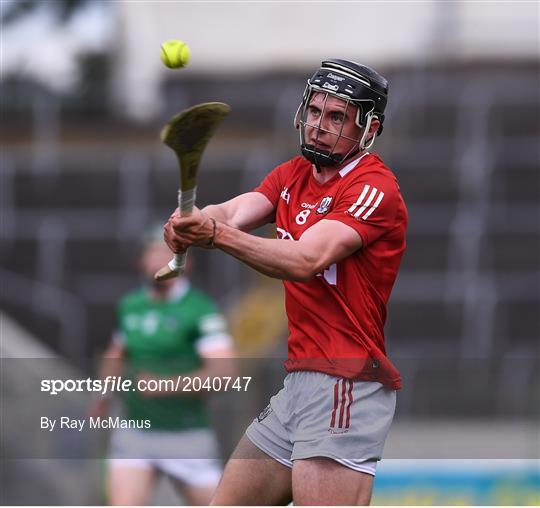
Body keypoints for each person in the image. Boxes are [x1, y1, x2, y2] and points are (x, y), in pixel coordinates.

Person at [163, 59, 408, 505]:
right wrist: (193, 220)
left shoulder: (374, 188)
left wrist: (215, 235)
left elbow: (306, 258)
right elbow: (235, 211)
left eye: (337, 117)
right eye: (315, 111)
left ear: (368, 129)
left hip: (345, 384)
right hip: (298, 384)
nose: (319, 126)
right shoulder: (291, 175)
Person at [89, 229, 236, 505]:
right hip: (136, 432)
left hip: (186, 435)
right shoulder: (131, 306)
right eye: (152, 253)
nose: (158, 260)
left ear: (185, 262)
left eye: (166, 253)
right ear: (140, 261)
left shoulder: (200, 311)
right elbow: (116, 353)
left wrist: (164, 385)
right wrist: (104, 394)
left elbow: (224, 375)